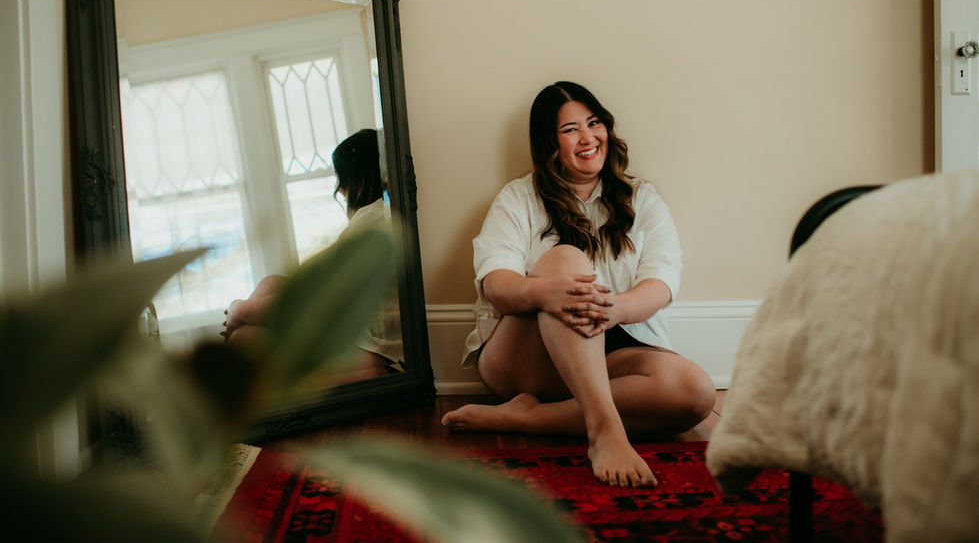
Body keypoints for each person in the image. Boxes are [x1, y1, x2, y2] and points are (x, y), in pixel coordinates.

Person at [441, 81, 716, 488]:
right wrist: (544, 292)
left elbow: (660, 284)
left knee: (697, 391)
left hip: (609, 349)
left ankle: (531, 418)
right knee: (565, 259)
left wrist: (614, 310)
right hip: (523, 359)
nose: (588, 137)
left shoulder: (643, 199)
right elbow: (496, 284)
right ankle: (605, 431)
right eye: (570, 129)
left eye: (594, 123)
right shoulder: (517, 198)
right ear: (548, 143)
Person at [221, 128, 403, 382]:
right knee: (271, 282)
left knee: (244, 340)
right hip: (362, 334)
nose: (339, 189)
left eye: (342, 177)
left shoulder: (371, 222)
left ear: (360, 176)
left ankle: (240, 393)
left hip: (378, 351)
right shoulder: (377, 214)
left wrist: (240, 309)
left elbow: (316, 299)